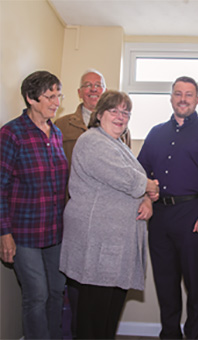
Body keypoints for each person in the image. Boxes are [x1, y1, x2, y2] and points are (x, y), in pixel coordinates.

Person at [59, 90, 159, 339]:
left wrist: (146, 198)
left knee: (108, 313)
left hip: (114, 243)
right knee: (93, 317)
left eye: (125, 112)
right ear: (99, 114)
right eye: (114, 110)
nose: (120, 116)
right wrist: (148, 186)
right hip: (97, 244)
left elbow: (134, 180)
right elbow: (126, 178)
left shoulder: (117, 144)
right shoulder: (93, 140)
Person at [138, 76, 198, 340]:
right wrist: (145, 193)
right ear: (171, 97)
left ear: (197, 100)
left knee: (196, 286)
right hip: (160, 217)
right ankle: (169, 335)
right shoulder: (156, 132)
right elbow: (140, 170)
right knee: (166, 285)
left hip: (194, 215)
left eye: (189, 94)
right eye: (178, 93)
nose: (183, 99)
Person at [55, 69, 131, 337]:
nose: (92, 89)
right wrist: (146, 185)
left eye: (98, 85)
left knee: (100, 297)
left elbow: (125, 174)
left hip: (108, 223)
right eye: (87, 85)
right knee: (81, 292)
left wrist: (144, 194)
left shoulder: (121, 133)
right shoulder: (63, 126)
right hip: (81, 216)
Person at [0, 70, 68, 339]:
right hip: (24, 232)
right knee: (36, 294)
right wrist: (4, 234)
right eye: (49, 97)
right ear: (30, 98)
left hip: (55, 231)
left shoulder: (57, 133)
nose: (56, 102)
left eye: (58, 96)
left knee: (55, 291)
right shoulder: (12, 133)